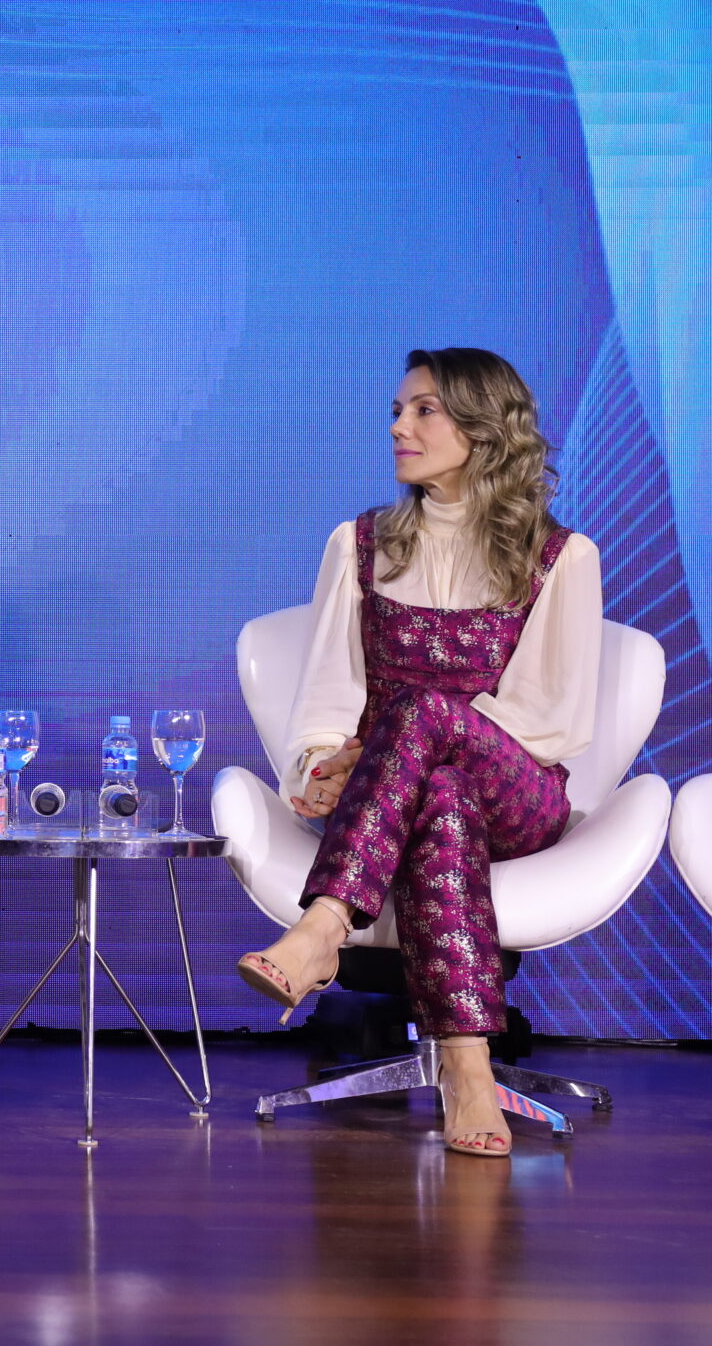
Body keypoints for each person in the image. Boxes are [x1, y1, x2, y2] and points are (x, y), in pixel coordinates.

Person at [237, 348, 601, 1158]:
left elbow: (551, 716)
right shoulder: (359, 544)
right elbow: (327, 694)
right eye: (397, 411)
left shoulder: (560, 556)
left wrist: (392, 742)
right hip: (404, 801)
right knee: (440, 795)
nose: (400, 426)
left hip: (520, 794)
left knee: (427, 716)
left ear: (484, 427)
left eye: (423, 410)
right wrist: (323, 768)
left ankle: (322, 924)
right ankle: (468, 1067)